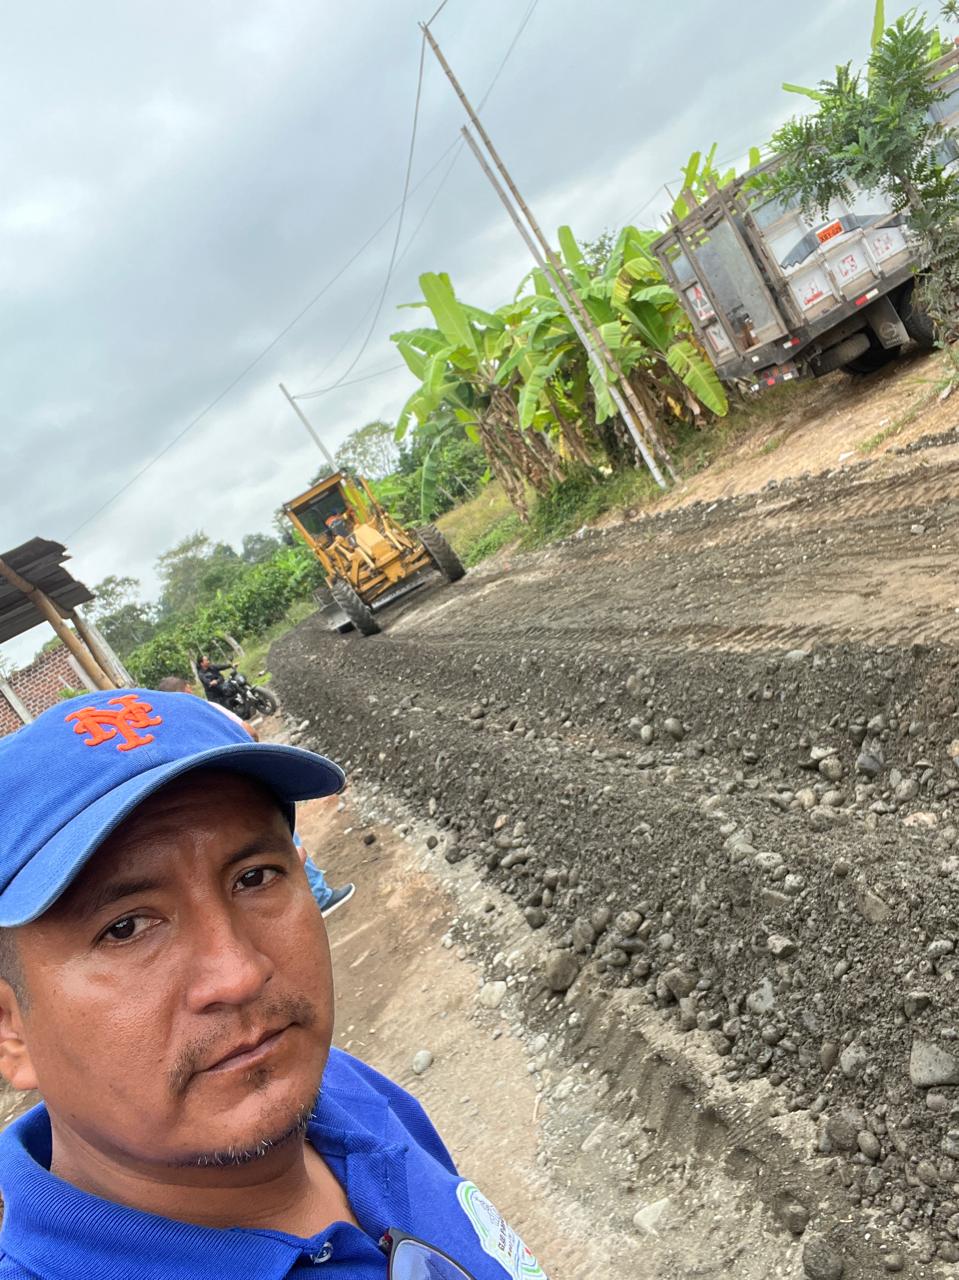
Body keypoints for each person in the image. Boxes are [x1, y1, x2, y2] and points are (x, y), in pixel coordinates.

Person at [0, 690, 546, 1279]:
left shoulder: (343, 1089)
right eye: (126, 928)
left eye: (254, 877)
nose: (238, 974)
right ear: (11, 1032)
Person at [157, 675, 355, 918]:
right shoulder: (205, 709)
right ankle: (319, 896)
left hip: (201, 808)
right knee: (280, 836)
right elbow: (249, 731)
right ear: (187, 689)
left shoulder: (163, 729)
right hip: (237, 789)